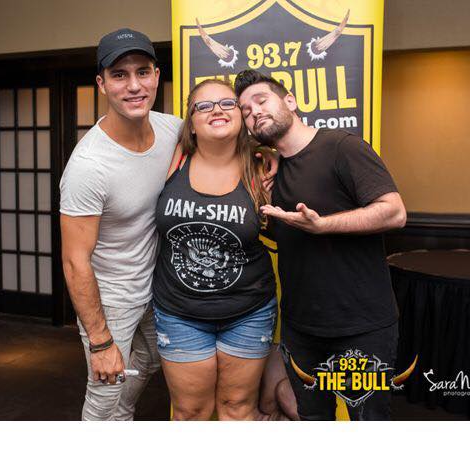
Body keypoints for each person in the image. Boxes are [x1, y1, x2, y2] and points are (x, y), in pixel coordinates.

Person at [234, 70, 407, 421]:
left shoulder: (343, 148)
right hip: (302, 328)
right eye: (246, 111)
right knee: (313, 419)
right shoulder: (270, 169)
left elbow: (394, 212)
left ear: (290, 101)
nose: (254, 112)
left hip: (361, 327)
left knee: (368, 421)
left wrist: (323, 225)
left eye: (261, 101)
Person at [60, 28, 182, 420]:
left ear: (157, 76)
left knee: (150, 361)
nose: (133, 86)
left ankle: (122, 418)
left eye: (142, 72)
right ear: (102, 84)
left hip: (154, 285)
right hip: (110, 298)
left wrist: (266, 156)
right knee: (104, 394)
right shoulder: (88, 166)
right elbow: (75, 261)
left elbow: (223, 143)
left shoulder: (172, 129)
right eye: (119, 75)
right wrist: (100, 342)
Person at [151, 78, 278, 420]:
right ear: (191, 123)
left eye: (226, 103)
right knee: (190, 413)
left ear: (240, 115)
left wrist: (272, 153)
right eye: (203, 106)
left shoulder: (262, 167)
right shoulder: (172, 159)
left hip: (249, 311)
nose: (216, 111)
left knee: (237, 410)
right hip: (179, 313)